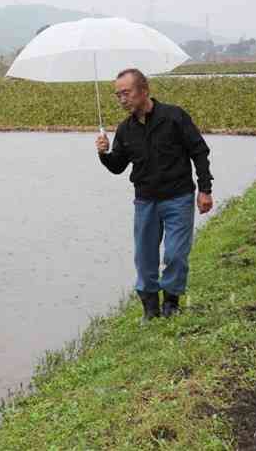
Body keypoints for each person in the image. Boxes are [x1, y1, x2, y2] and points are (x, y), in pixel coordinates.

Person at [95, 68, 213, 323]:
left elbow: (199, 151)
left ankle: (171, 303)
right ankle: (150, 310)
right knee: (145, 257)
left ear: (144, 91)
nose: (122, 99)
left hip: (178, 198)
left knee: (175, 254)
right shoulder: (125, 129)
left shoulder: (174, 117)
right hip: (145, 201)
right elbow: (117, 166)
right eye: (118, 95)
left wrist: (205, 189)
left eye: (126, 93)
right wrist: (103, 153)